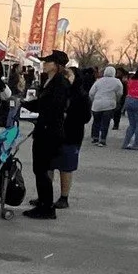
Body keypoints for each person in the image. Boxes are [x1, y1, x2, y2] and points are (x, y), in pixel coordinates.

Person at [21, 50, 71, 219]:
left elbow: (53, 107)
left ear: (56, 65)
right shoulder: (48, 81)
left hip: (50, 131)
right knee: (40, 169)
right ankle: (43, 202)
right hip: (44, 129)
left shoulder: (60, 83)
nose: (44, 64)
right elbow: (42, 103)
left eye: (47, 62)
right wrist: (25, 104)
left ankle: (47, 207)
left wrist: (37, 112)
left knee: (42, 169)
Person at [51, 67, 93, 209]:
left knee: (66, 167)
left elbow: (86, 117)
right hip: (53, 134)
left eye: (68, 75)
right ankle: (45, 195)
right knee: (49, 166)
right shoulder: (55, 91)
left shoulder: (81, 96)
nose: (65, 78)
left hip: (71, 135)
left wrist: (68, 115)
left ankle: (64, 197)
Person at [90, 64, 124, 145]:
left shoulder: (99, 81)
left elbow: (91, 93)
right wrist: (117, 100)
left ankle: (95, 137)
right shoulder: (117, 82)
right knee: (105, 122)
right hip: (109, 104)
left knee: (96, 121)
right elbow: (120, 93)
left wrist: (93, 100)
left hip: (97, 104)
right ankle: (102, 139)